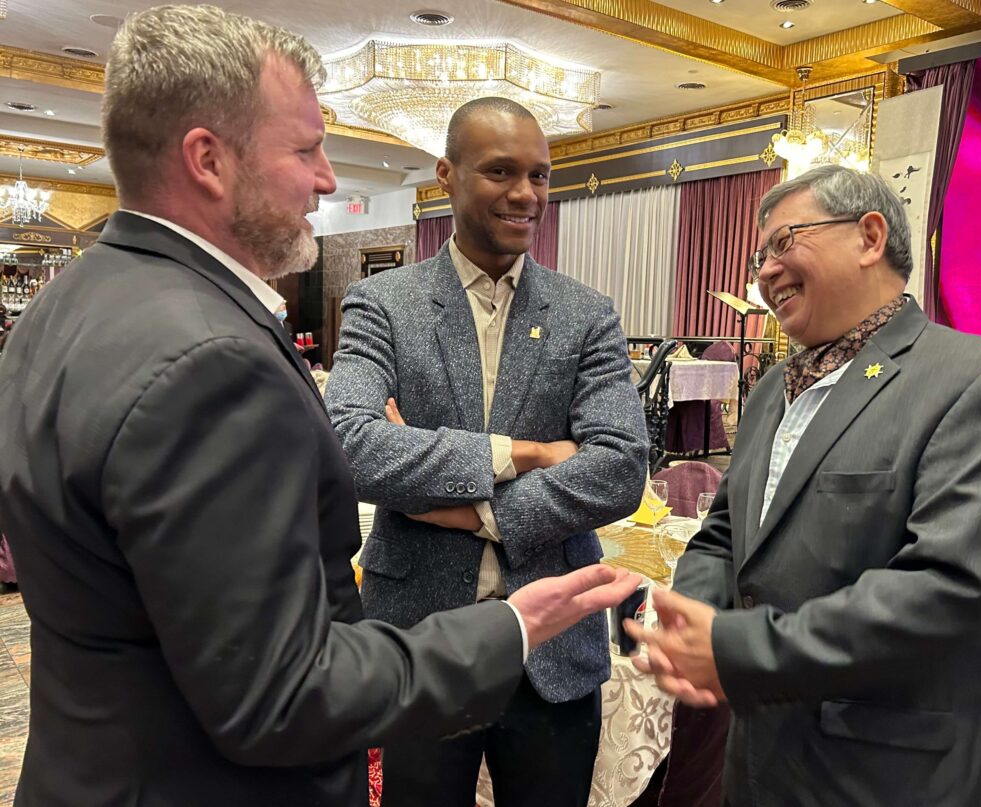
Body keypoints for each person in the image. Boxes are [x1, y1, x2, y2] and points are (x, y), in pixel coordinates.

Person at [0, 8, 642, 806]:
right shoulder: (214, 359)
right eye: (306, 149)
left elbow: (621, 468)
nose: (330, 178)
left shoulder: (58, 309)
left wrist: (460, 501)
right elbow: (280, 690)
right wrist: (511, 600)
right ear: (207, 159)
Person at [627, 164, 981, 806]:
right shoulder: (769, 395)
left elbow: (946, 592)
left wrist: (735, 647)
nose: (762, 272)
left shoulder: (976, 380)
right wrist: (687, 616)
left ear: (869, 237)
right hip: (760, 759)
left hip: (888, 772)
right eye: (759, 257)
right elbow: (726, 536)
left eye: (783, 243)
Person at [326, 97, 649, 806]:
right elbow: (347, 442)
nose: (526, 193)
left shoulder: (584, 313)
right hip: (422, 641)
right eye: (501, 170)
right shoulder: (383, 303)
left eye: (539, 174)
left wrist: (481, 516)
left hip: (554, 651)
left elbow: (622, 463)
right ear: (447, 174)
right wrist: (526, 452)